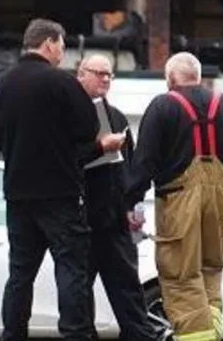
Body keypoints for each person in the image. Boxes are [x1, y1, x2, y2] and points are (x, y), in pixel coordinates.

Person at [0, 18, 125, 341]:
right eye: (62, 45)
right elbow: (88, 128)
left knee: (20, 274)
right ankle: (75, 334)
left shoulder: (1, 84)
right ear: (49, 44)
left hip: (18, 194)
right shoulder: (61, 83)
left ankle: (12, 334)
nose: (63, 52)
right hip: (60, 193)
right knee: (71, 268)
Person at [125, 52, 223, 341]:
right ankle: (213, 330)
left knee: (180, 275)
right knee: (211, 268)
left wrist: (130, 201)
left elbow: (144, 161)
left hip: (177, 202)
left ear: (170, 79)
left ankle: (199, 337)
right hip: (220, 201)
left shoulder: (162, 106)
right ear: (198, 76)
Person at [75, 55, 170, 341]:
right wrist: (99, 148)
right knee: (79, 294)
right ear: (81, 74)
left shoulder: (115, 116)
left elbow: (132, 166)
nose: (105, 79)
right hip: (82, 219)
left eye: (109, 75)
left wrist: (134, 205)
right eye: (99, 73)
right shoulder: (70, 115)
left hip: (116, 219)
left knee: (128, 291)